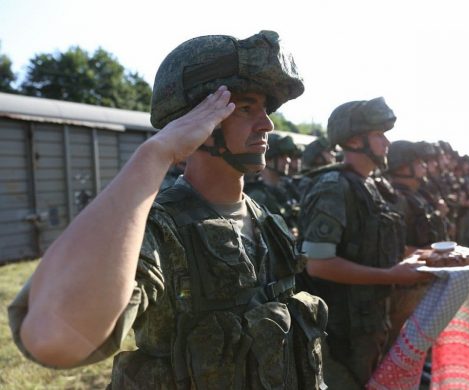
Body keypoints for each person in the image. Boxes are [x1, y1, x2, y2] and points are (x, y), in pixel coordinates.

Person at [8, 31, 328, 389]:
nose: (267, 124)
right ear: (196, 119)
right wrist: (156, 153)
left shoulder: (266, 221)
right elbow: (55, 338)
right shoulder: (160, 227)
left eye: (266, 109)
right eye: (246, 107)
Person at [298, 98, 433, 389]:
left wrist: (420, 257)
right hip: (342, 333)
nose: (387, 143)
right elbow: (319, 265)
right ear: (356, 140)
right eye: (379, 135)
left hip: (371, 323)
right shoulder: (333, 186)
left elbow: (373, 248)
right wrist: (390, 276)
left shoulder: (371, 185)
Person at [244, 133, 301, 234]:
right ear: (267, 159)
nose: (288, 160)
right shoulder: (256, 197)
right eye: (282, 156)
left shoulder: (288, 189)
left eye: (288, 156)